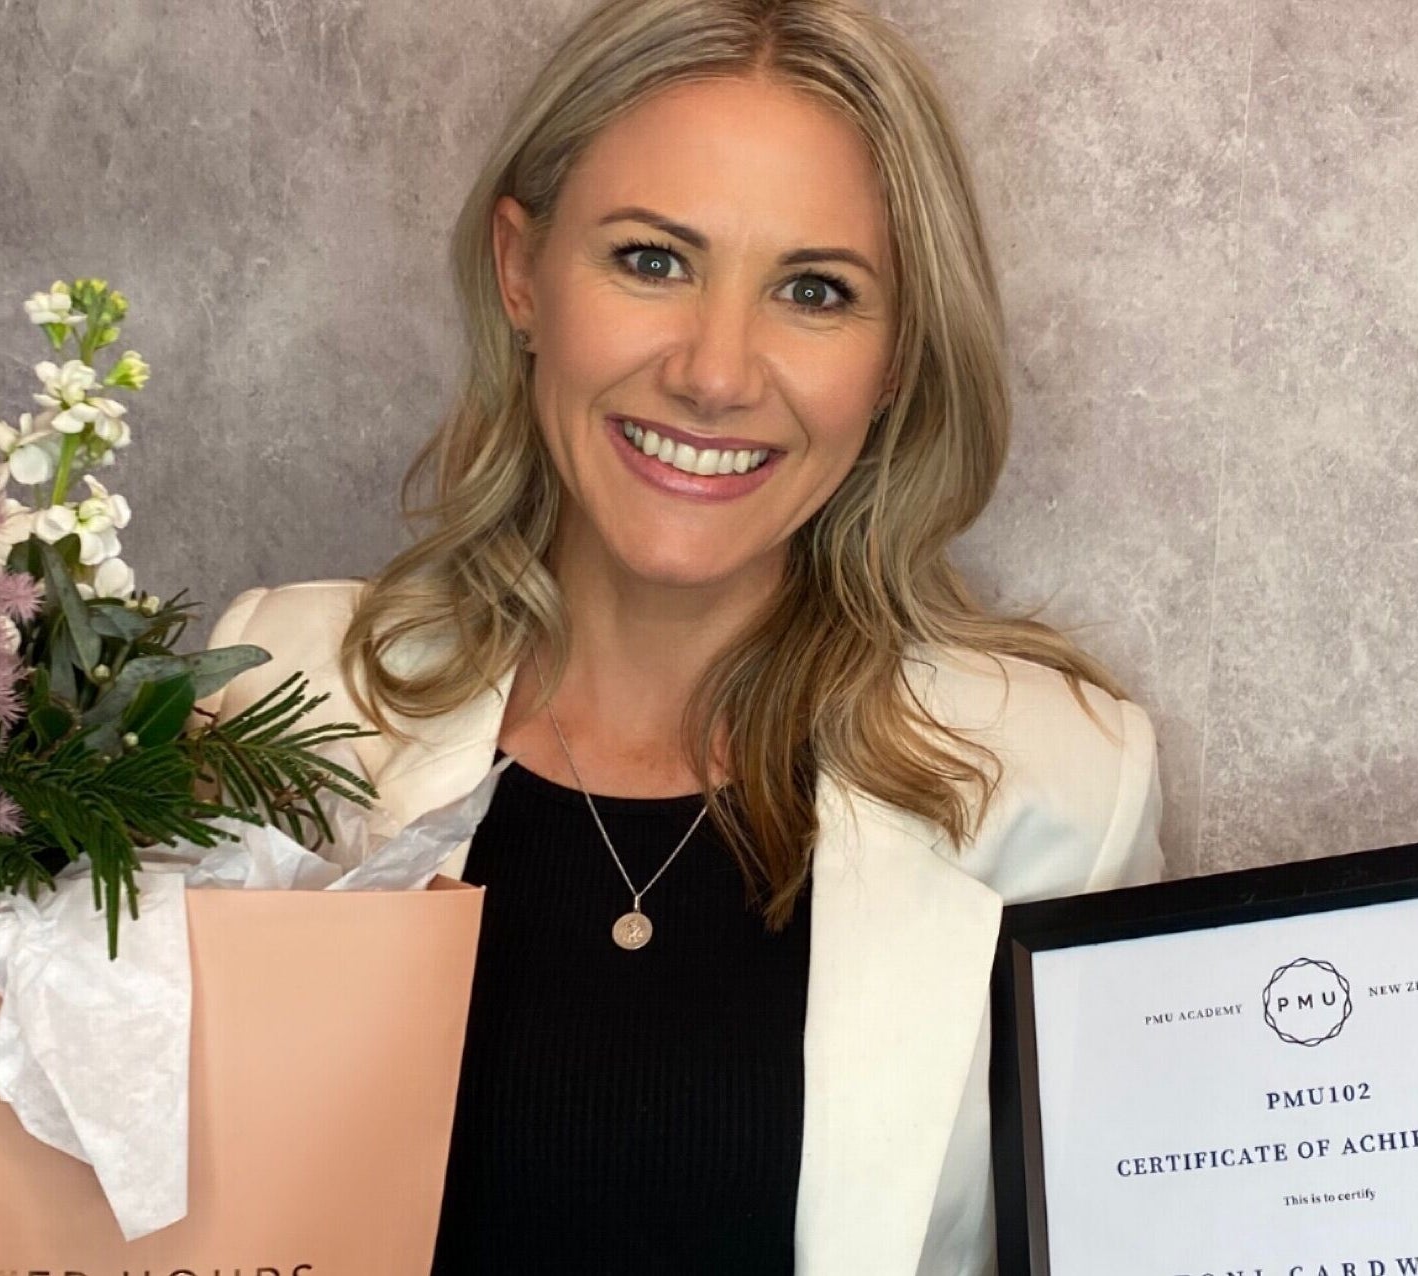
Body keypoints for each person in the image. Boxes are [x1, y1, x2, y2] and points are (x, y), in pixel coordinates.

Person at [205, 0, 1164, 1270]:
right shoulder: (286, 688)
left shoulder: (1060, 787)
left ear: (893, 364)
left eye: (814, 291)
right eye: (652, 260)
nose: (716, 372)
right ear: (520, 271)